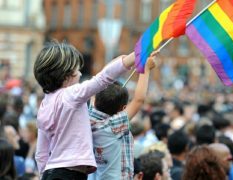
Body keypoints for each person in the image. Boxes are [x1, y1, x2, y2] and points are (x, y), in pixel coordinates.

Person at [33, 41, 136, 179]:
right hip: (70, 174)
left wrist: (44, 175)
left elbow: (41, 153)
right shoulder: (71, 95)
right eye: (76, 70)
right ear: (66, 75)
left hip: (51, 172)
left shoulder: (44, 105)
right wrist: (135, 57)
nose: (80, 73)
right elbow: (102, 78)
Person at [87, 52, 157, 180]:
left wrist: (134, 59)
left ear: (96, 99)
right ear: (123, 108)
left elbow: (101, 77)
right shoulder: (113, 125)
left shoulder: (90, 117)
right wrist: (145, 68)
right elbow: (138, 100)